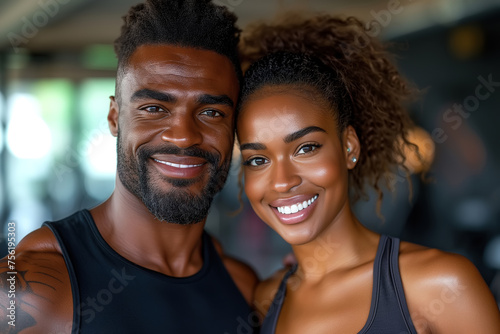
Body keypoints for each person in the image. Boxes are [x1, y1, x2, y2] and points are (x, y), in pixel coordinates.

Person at [0, 0, 259, 333]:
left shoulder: (243, 287)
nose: (182, 137)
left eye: (211, 113)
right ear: (114, 117)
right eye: (154, 108)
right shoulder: (27, 290)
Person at [236, 15, 500, 333]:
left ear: (349, 147)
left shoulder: (440, 284)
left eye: (305, 148)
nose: (281, 180)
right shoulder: (266, 300)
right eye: (257, 160)